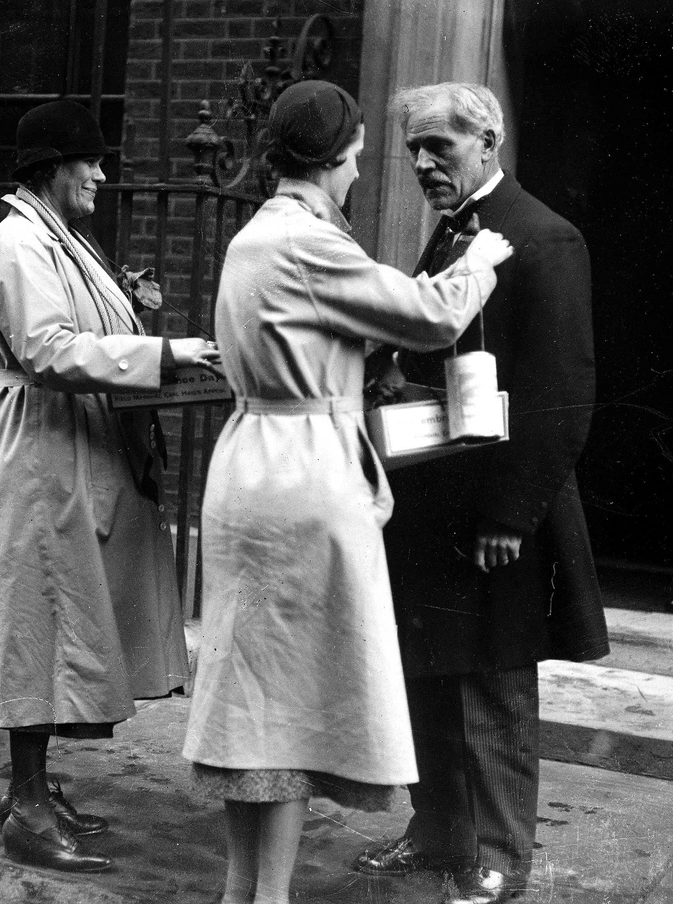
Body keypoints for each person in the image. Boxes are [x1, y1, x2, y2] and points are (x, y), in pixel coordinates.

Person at [182, 79, 512, 904]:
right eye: (359, 158)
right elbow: (430, 315)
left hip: (247, 467)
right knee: (287, 712)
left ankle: (243, 892)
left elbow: (301, 335)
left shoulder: (254, 236)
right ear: (330, 159)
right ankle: (269, 899)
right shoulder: (310, 241)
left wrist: (356, 361)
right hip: (303, 477)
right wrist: (478, 262)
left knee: (248, 702)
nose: (362, 173)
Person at [352, 83, 609, 904]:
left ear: (488, 140)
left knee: (494, 686)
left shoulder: (543, 237)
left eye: (441, 147)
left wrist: (510, 514)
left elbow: (563, 390)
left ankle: (500, 856)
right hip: (430, 503)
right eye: (414, 150)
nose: (424, 163)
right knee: (426, 673)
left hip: (498, 512)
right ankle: (437, 833)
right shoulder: (450, 233)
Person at [0, 100, 220, 873]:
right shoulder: (19, 242)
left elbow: (85, 335)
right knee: (41, 623)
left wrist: (143, 335)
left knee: (67, 621)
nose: (102, 176)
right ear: (51, 167)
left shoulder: (60, 241)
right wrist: (165, 351)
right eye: (90, 162)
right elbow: (47, 349)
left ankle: (34, 789)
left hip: (73, 446)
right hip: (43, 454)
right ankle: (28, 804)